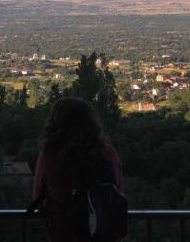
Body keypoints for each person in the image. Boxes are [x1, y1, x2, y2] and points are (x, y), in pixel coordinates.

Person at [33, 97, 123, 242]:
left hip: (63, 234)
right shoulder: (107, 152)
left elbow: (38, 201)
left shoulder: (49, 156)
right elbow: (117, 190)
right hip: (103, 234)